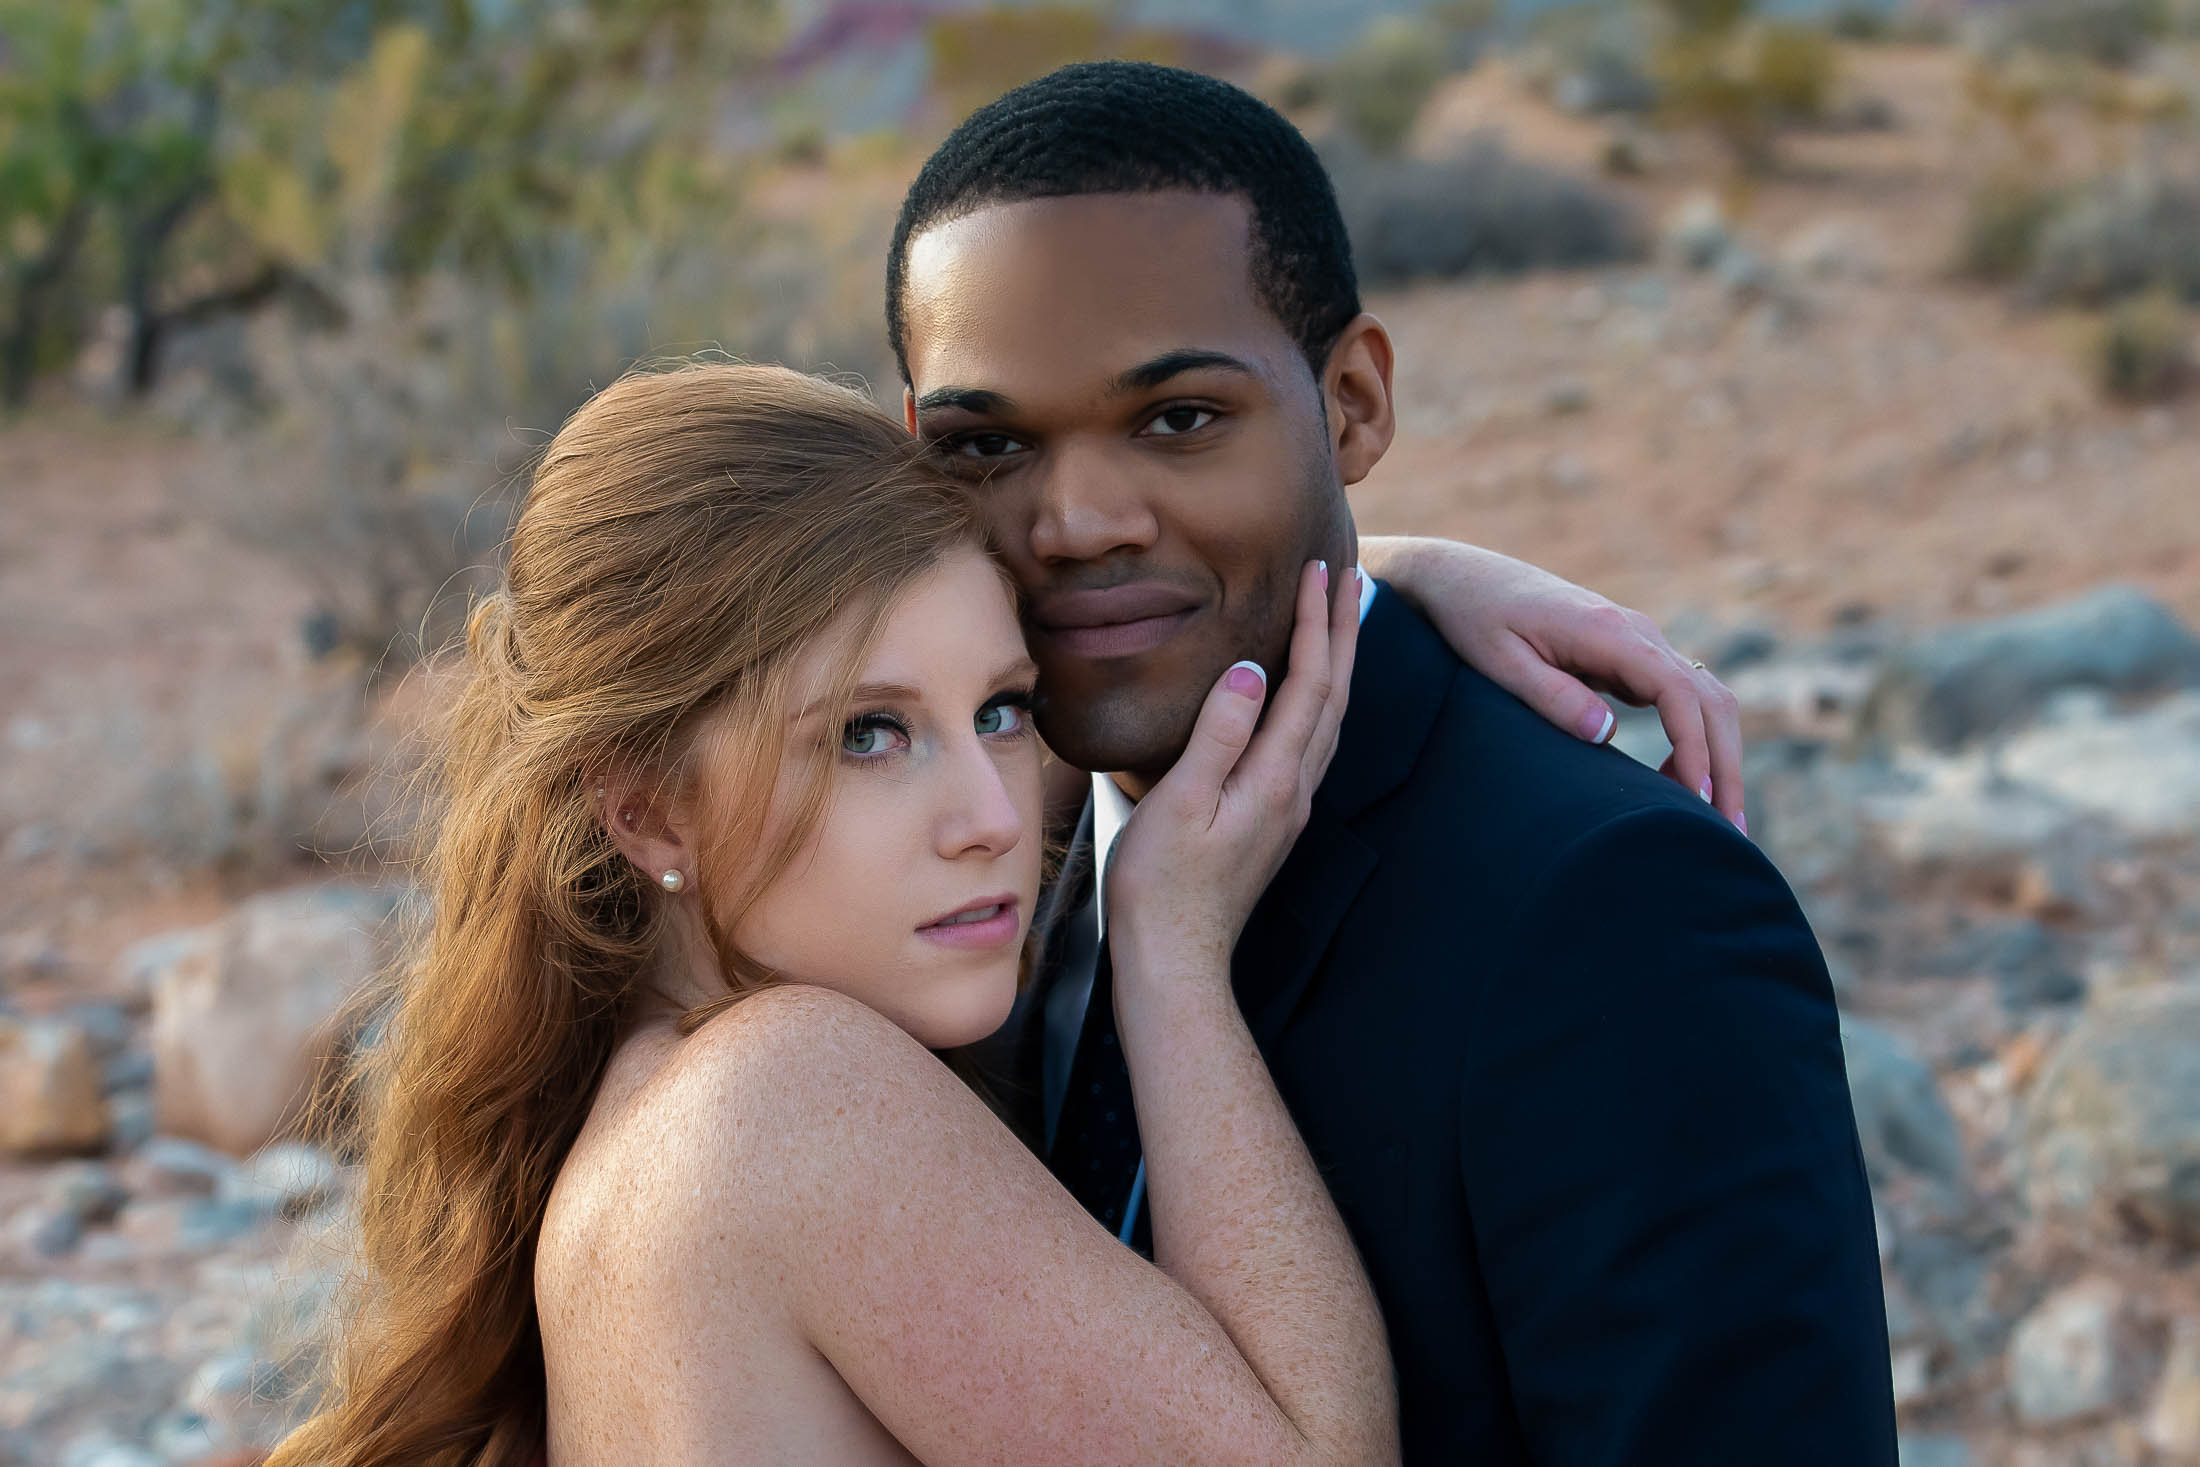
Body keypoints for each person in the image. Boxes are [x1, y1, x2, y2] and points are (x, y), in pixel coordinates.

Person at [265, 362, 1727, 1466]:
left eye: (1005, 709)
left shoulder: (642, 1122)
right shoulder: (793, 1097)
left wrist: (1381, 574)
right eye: (867, 736)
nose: (990, 813)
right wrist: (1173, 958)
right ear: (642, 807)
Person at [889, 62, 1898, 1465]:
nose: (1076, 523)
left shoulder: (1609, 913)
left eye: (1178, 419)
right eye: (989, 444)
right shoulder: (939, 844)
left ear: (1353, 405)